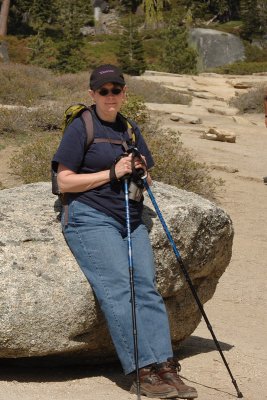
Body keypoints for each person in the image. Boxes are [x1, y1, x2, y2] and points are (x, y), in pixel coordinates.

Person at [52, 64, 198, 399]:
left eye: (116, 89)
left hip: (130, 219)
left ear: (124, 93)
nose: (110, 96)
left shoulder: (130, 129)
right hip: (90, 217)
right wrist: (113, 172)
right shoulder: (81, 126)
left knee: (147, 289)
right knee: (119, 290)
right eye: (103, 91)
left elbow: (146, 174)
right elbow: (64, 181)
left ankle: (165, 367)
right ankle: (142, 371)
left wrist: (141, 172)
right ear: (92, 94)